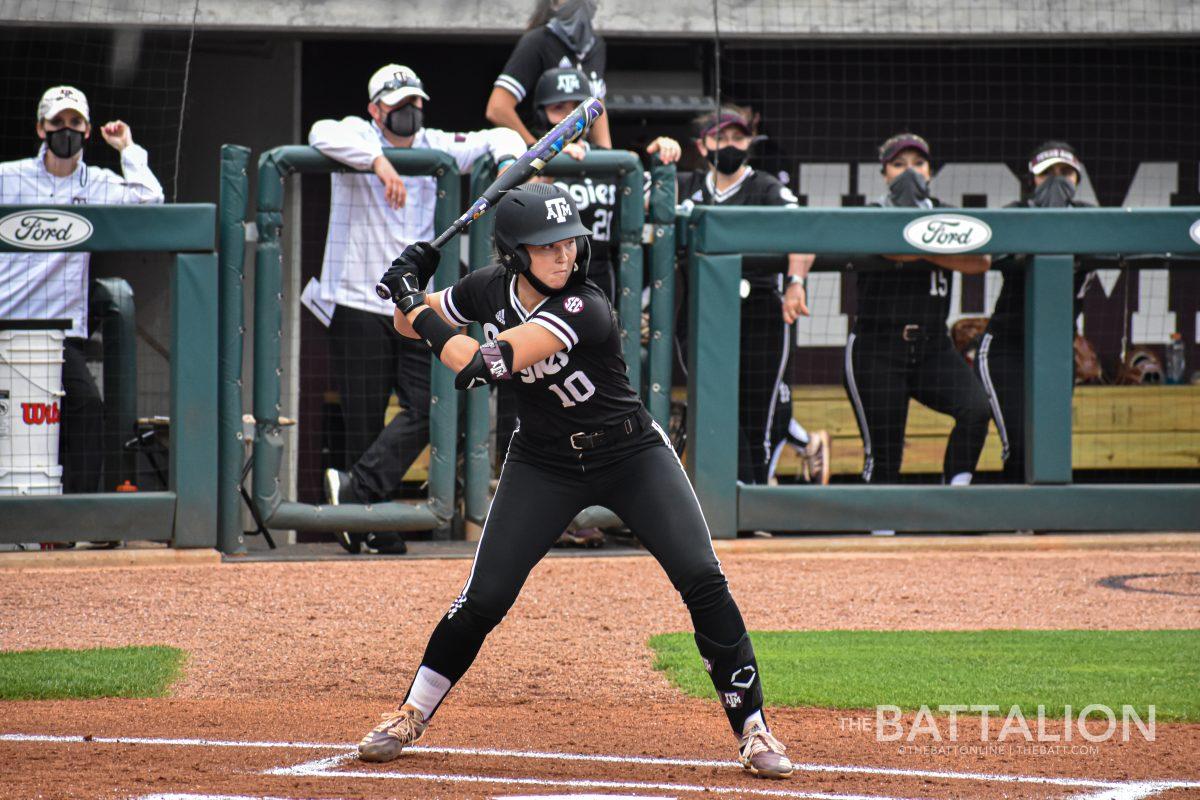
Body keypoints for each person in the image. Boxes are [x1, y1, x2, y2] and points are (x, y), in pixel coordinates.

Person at [358, 182, 793, 779]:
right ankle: (410, 713)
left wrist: (413, 301)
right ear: (515, 255)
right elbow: (408, 327)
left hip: (630, 455)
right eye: (547, 247)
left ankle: (753, 729)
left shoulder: (585, 303)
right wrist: (410, 289)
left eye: (570, 243)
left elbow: (485, 364)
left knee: (701, 577)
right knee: (483, 597)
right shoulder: (490, 286)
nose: (564, 256)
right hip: (543, 462)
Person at [310, 64, 524, 554]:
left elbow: (498, 139)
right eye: (398, 103)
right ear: (376, 108)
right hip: (357, 299)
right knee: (363, 419)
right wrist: (379, 162)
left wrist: (513, 159)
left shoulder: (434, 142)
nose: (409, 111)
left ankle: (359, 497)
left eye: (415, 101)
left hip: (414, 302)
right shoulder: (356, 133)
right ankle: (368, 520)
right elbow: (319, 133)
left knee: (429, 406)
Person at [0, 85, 164, 496]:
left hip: (58, 335)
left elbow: (151, 199)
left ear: (88, 130)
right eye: (57, 122)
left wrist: (126, 147)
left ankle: (75, 521)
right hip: (5, 325)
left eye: (75, 123)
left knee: (87, 409)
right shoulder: (9, 176)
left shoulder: (98, 183)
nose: (66, 130)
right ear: (41, 128)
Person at [677, 104, 831, 489]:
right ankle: (724, 499)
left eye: (738, 137)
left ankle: (756, 498)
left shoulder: (764, 185)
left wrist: (795, 282)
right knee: (712, 409)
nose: (730, 144)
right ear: (701, 144)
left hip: (759, 310)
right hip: (702, 313)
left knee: (756, 410)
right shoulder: (685, 184)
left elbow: (802, 231)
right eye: (721, 137)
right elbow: (641, 214)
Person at [842, 133, 991, 517]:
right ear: (884, 173)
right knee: (886, 453)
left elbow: (981, 261)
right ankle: (879, 533)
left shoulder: (946, 213)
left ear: (930, 171)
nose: (910, 172)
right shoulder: (873, 210)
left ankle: (953, 504)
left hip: (932, 347)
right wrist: (941, 249)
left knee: (975, 409)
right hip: (878, 346)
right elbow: (885, 246)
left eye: (918, 164)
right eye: (899, 164)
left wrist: (918, 247)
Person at [976, 141, 1094, 482]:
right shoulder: (1015, 214)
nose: (1057, 181)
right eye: (1048, 174)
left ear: (1077, 179)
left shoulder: (1092, 220)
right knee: (1019, 440)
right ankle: (1017, 522)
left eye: (1065, 173)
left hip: (1057, 349)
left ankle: (1045, 523)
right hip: (1006, 346)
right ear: (1033, 181)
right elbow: (987, 255)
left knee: (1051, 443)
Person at [487, 0, 612, 150]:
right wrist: (540, 154)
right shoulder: (538, 41)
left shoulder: (596, 46)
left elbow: (597, 103)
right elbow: (497, 108)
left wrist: (607, 156)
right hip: (539, 159)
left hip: (579, 156)